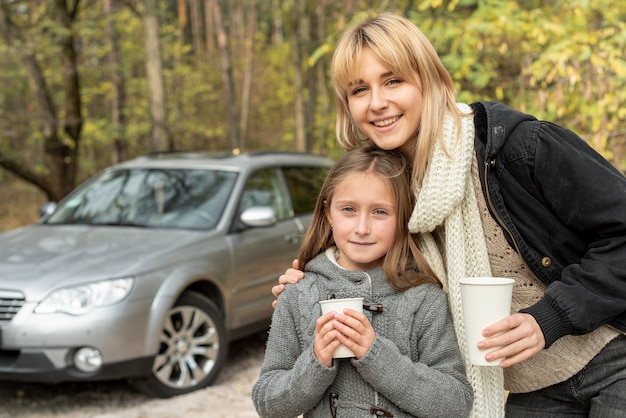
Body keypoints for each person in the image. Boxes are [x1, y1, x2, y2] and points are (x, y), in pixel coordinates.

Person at [272, 12, 626, 418]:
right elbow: (366, 269)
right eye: (359, 89)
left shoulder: (518, 148)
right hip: (531, 386)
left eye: (393, 80)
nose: (377, 102)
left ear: (429, 78)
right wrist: (310, 286)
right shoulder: (390, 192)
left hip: (614, 355)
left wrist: (551, 317)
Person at [252, 146, 473, 417]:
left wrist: (376, 354)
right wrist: (316, 361)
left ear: (402, 217)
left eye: (380, 212)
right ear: (328, 213)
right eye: (348, 209)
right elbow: (266, 402)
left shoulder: (423, 298)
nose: (362, 228)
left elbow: (456, 403)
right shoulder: (298, 294)